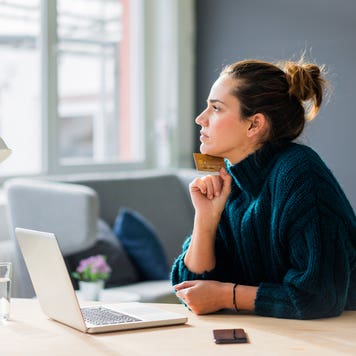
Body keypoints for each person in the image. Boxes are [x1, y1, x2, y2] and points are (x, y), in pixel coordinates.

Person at [171, 58, 356, 319]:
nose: (200, 119)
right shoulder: (229, 181)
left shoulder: (299, 172)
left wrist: (227, 295)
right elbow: (190, 290)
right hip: (274, 334)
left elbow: (319, 296)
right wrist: (206, 219)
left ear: (254, 125)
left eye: (216, 108)